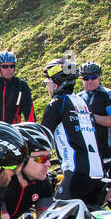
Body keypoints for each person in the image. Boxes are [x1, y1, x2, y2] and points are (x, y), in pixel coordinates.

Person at [40, 57, 105, 207]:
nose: (47, 88)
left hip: (75, 170)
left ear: (56, 84)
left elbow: (41, 139)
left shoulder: (57, 103)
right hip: (97, 170)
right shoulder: (81, 102)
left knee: (57, 215)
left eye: (47, 83)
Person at [1, 121, 56, 219]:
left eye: (49, 157)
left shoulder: (42, 183)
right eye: (42, 158)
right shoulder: (1, 181)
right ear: (21, 158)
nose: (48, 164)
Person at [78, 61, 111, 167]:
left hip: (104, 147)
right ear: (81, 80)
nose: (90, 81)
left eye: (93, 77)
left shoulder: (108, 95)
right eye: (86, 78)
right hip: (84, 148)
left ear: (99, 78)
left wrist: (91, 117)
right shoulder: (78, 97)